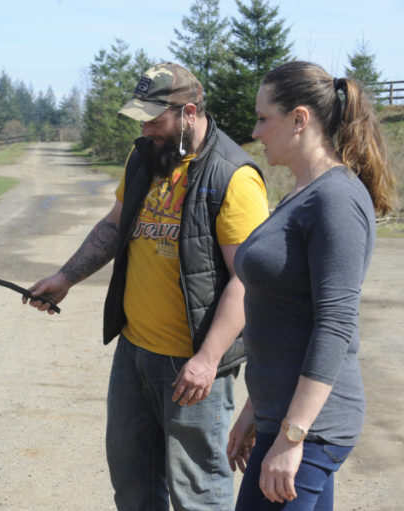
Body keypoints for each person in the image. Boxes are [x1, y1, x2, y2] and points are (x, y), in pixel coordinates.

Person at [23, 62, 270, 510]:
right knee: (133, 484)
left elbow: (248, 281)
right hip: (134, 352)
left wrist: (208, 359)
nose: (146, 129)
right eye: (142, 119)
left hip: (193, 368)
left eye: (155, 120)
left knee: (198, 492)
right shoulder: (145, 157)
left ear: (189, 112)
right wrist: (65, 278)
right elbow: (114, 226)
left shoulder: (233, 176)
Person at [226, 61, 396, 510]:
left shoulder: (335, 200)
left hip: (309, 429)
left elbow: (335, 324)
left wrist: (292, 435)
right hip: (280, 419)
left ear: (299, 119)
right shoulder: (302, 194)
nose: (256, 130)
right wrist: (253, 412)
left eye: (265, 118)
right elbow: (285, 318)